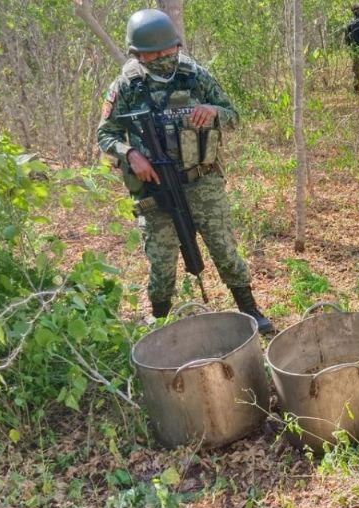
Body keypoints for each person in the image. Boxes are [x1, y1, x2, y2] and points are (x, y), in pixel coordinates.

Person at [96, 9, 275, 335]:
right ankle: (161, 322)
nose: (164, 58)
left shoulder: (195, 76)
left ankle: (250, 310)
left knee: (223, 249)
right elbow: (104, 134)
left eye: (169, 50)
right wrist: (130, 153)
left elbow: (234, 116)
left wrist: (213, 112)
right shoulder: (125, 86)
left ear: (176, 45)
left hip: (201, 179)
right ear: (137, 53)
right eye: (154, 53)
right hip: (155, 186)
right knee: (162, 263)